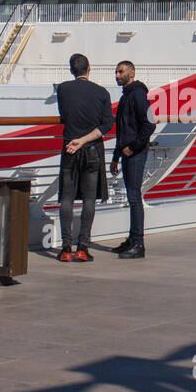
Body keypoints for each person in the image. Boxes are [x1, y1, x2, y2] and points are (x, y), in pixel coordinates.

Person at [56, 53, 113, 262]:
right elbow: (107, 124)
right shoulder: (101, 92)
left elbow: (64, 114)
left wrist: (76, 140)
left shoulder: (62, 89)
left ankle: (65, 249)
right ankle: (82, 247)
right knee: (89, 199)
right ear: (89, 68)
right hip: (91, 150)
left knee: (67, 198)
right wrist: (85, 139)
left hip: (69, 147)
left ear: (72, 70)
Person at [109, 60, 154, 259]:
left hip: (136, 153)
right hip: (128, 153)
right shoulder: (127, 96)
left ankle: (138, 244)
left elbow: (149, 124)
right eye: (116, 72)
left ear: (132, 72)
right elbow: (121, 130)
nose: (117, 75)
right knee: (131, 196)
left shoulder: (138, 95)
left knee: (134, 198)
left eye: (121, 72)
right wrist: (116, 157)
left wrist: (133, 147)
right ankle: (132, 239)